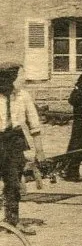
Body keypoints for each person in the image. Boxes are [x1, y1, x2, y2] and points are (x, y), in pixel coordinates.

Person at [0, 61, 45, 236]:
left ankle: (12, 221)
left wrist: (39, 151)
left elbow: (34, 125)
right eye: (20, 76)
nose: (23, 80)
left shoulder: (23, 96)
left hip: (14, 143)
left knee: (13, 182)